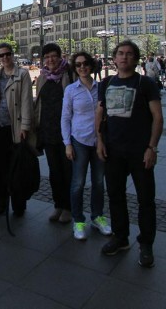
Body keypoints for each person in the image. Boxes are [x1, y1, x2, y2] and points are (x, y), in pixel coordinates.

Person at [96, 40, 163, 268]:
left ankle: (146, 243)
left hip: (139, 151)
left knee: (146, 200)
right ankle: (120, 237)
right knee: (115, 196)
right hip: (113, 150)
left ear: (136, 59)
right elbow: (100, 113)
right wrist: (100, 141)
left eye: (129, 54)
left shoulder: (146, 83)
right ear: (114, 59)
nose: (124, 57)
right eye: (120, 54)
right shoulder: (106, 83)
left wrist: (151, 147)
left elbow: (157, 117)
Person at [61, 51, 111, 240]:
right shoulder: (71, 90)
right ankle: (78, 220)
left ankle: (97, 216)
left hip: (99, 141)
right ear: (75, 68)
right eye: (78, 65)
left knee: (99, 182)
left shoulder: (102, 88)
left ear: (91, 66)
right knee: (78, 183)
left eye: (85, 64)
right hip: (79, 140)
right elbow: (65, 118)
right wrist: (67, 143)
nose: (82, 67)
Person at [0, 43, 34, 216]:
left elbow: (27, 100)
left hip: (15, 127)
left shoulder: (23, 74)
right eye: (1, 55)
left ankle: (19, 205)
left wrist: (25, 126)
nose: (5, 58)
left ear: (13, 55)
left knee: (17, 167)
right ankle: (0, 202)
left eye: (7, 54)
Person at [34, 43, 73, 224]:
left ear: (60, 56)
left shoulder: (68, 74)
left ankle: (68, 207)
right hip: (48, 131)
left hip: (66, 133)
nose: (50, 60)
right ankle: (58, 204)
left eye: (53, 56)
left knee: (67, 171)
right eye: (47, 57)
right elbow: (38, 103)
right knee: (54, 171)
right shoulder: (42, 77)